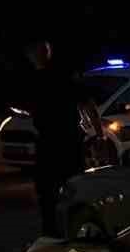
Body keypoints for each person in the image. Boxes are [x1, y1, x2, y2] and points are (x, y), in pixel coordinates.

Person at [24, 40, 92, 237]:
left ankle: (54, 233)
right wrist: (97, 132)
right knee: (73, 188)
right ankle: (74, 229)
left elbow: (86, 104)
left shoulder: (36, 81)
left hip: (52, 143)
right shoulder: (64, 77)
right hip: (67, 141)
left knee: (50, 194)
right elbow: (88, 105)